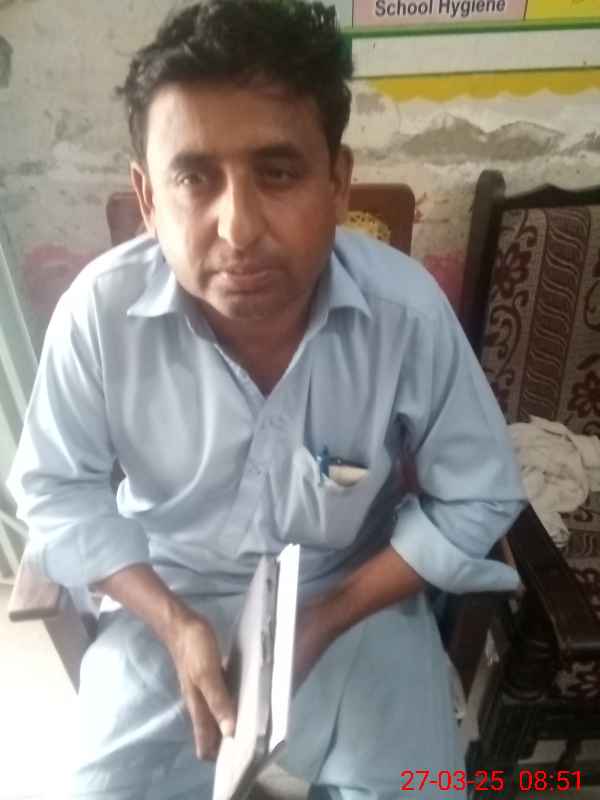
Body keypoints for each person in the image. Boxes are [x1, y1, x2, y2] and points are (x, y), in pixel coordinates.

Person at [7, 1, 526, 798]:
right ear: (147, 198)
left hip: (353, 609)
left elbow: (478, 494)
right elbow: (54, 490)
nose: (239, 228)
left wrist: (327, 617)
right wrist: (171, 620)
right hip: (169, 610)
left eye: (277, 173)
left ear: (337, 182)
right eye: (194, 178)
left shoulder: (405, 315)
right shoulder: (98, 315)